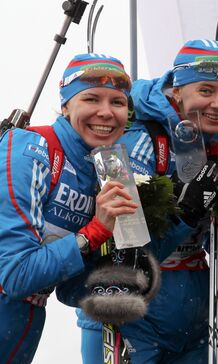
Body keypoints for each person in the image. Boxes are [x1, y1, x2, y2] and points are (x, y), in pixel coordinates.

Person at [74, 39, 218, 363]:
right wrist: (185, 213)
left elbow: (209, 231)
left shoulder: (215, 140)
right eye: (206, 91)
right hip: (132, 319)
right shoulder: (137, 138)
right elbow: (126, 249)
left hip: (192, 317)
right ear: (176, 90)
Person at [0, 53, 137, 363]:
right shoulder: (29, 148)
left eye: (117, 103)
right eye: (91, 99)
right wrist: (94, 232)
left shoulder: (112, 167)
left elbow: (71, 291)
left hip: (27, 321)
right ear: (65, 105)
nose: (106, 113)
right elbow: (15, 277)